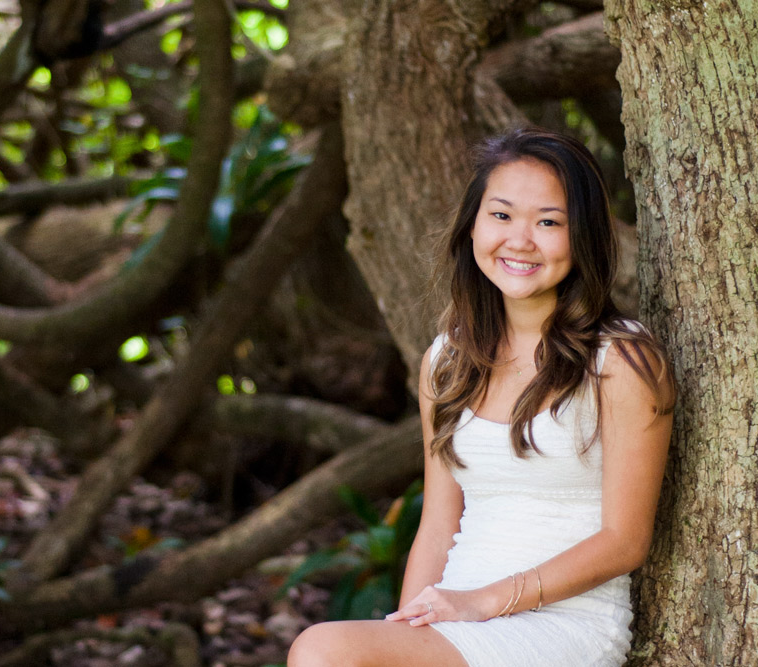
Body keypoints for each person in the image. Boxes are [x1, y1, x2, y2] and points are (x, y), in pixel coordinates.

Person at [288, 127, 674, 667]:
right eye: (501, 215)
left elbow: (624, 540)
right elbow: (438, 524)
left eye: (548, 222)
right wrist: (407, 628)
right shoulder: (447, 362)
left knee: (320, 649)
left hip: (565, 624)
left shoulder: (621, 361)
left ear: (583, 236)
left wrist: (486, 601)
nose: (520, 240)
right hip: (456, 619)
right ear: (473, 224)